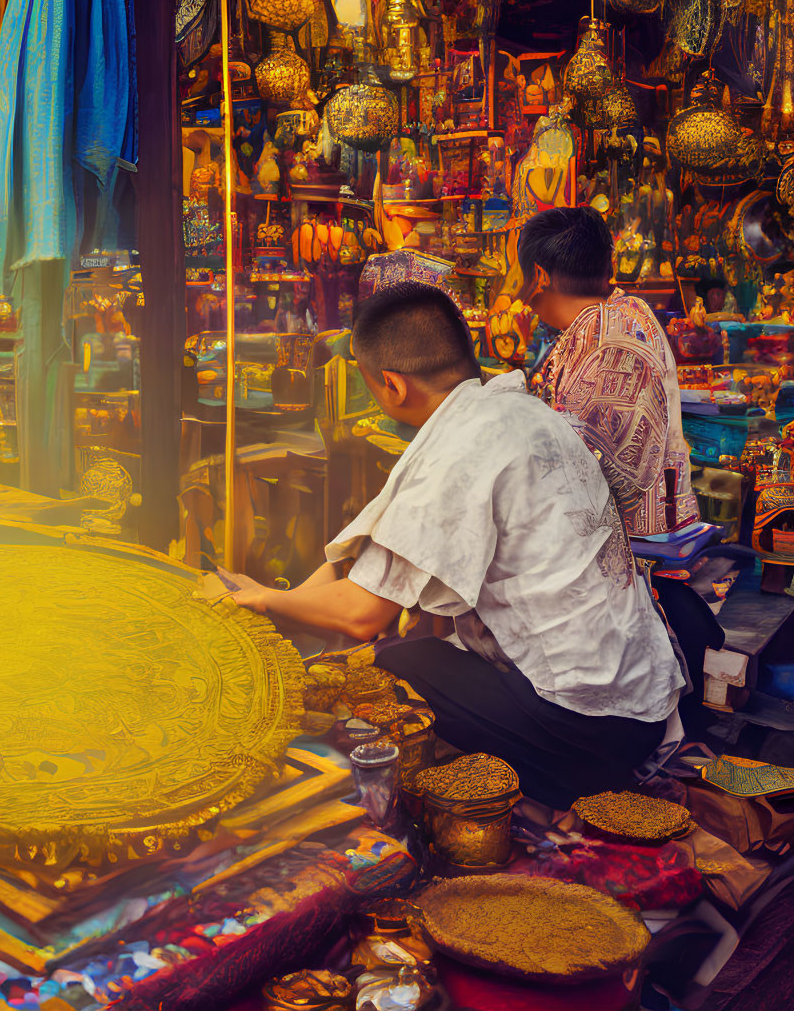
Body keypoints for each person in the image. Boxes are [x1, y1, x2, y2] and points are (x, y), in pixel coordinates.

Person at [218, 283, 685, 809]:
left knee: (397, 667)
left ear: (392, 386)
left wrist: (264, 598)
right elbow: (366, 556)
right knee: (420, 651)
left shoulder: (462, 448)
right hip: (641, 700)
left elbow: (360, 615)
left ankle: (545, 786)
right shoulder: (513, 412)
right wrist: (273, 602)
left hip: (588, 725)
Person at [519, 206, 699, 538]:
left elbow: (575, 460)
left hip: (634, 542)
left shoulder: (608, 330)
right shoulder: (616, 315)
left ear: (540, 277)